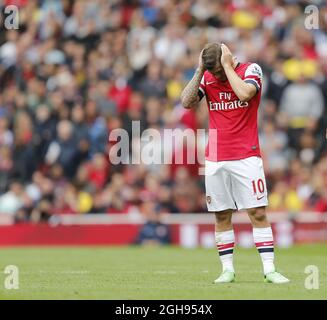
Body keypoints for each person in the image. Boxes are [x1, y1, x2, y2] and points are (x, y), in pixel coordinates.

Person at [180, 43, 289, 284]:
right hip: (216, 158)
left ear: (228, 58)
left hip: (247, 155)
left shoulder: (251, 70)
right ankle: (227, 270)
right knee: (221, 215)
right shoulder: (207, 77)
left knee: (257, 212)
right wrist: (199, 71)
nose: (216, 76)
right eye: (214, 72)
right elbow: (186, 102)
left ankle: (269, 269)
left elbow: (245, 94)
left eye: (219, 70)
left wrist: (227, 67)